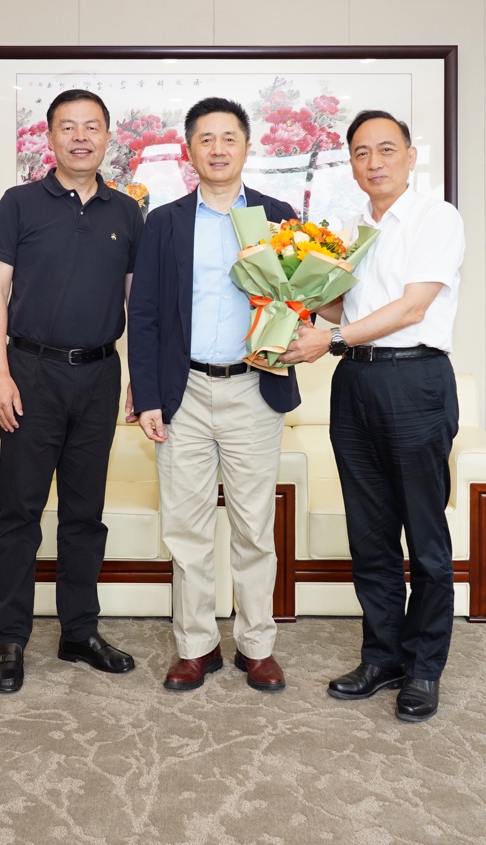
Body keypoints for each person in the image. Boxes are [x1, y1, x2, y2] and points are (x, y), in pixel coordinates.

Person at [279, 109, 465, 722]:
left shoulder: (436, 218)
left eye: (386, 149)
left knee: (424, 535)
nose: (374, 162)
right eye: (361, 153)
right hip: (355, 381)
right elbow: (345, 309)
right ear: (352, 165)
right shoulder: (354, 230)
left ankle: (424, 668)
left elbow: (412, 309)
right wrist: (294, 288)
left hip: (415, 379)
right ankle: (381, 657)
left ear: (411, 156)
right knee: (370, 533)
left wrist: (329, 339)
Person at [126, 97, 299, 693]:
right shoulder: (165, 222)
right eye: (206, 139)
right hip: (185, 393)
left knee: (254, 528)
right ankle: (196, 646)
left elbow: (299, 303)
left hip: (254, 389)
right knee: (187, 529)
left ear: (247, 147)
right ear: (190, 150)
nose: (218, 149)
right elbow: (144, 314)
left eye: (230, 138)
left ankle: (257, 646)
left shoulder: (279, 218)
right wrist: (148, 395)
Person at [0, 89, 144, 694]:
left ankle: (79, 632)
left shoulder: (128, 212)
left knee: (84, 514)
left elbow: (137, 304)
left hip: (100, 375)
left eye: (91, 127)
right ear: (49, 138)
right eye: (68, 127)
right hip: (31, 374)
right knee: (20, 513)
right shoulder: (19, 203)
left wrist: (141, 378)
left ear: (107, 138)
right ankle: (11, 640)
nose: (80, 137)